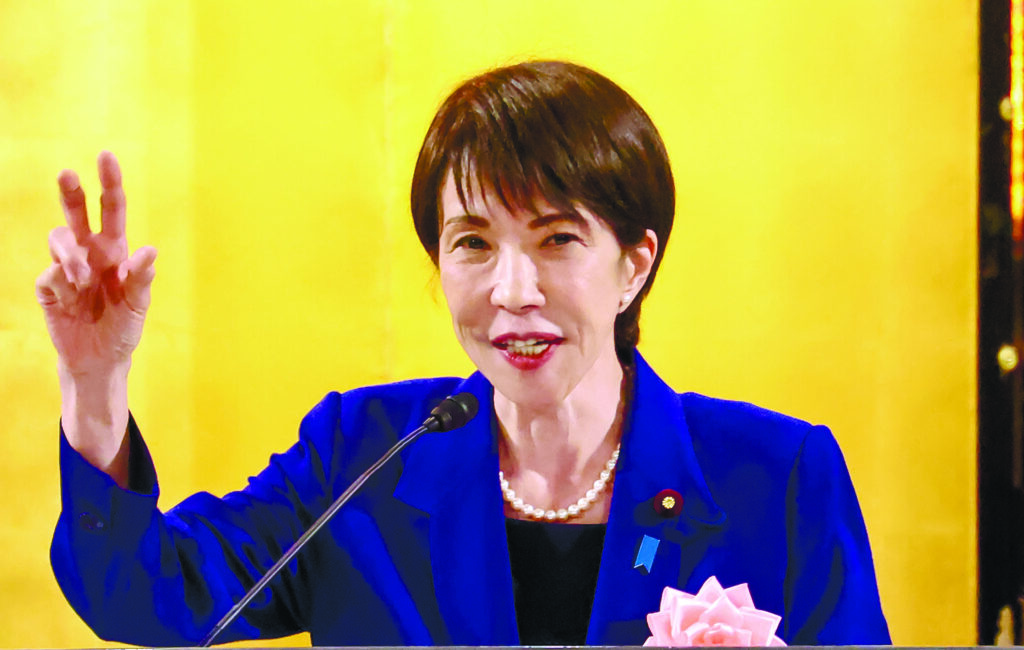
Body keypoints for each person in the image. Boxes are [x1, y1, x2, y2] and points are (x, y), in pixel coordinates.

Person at [40, 60, 890, 646]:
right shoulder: (362, 454)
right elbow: (147, 599)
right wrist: (94, 386)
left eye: (557, 239)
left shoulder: (777, 478)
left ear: (634, 265)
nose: (513, 290)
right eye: (473, 243)